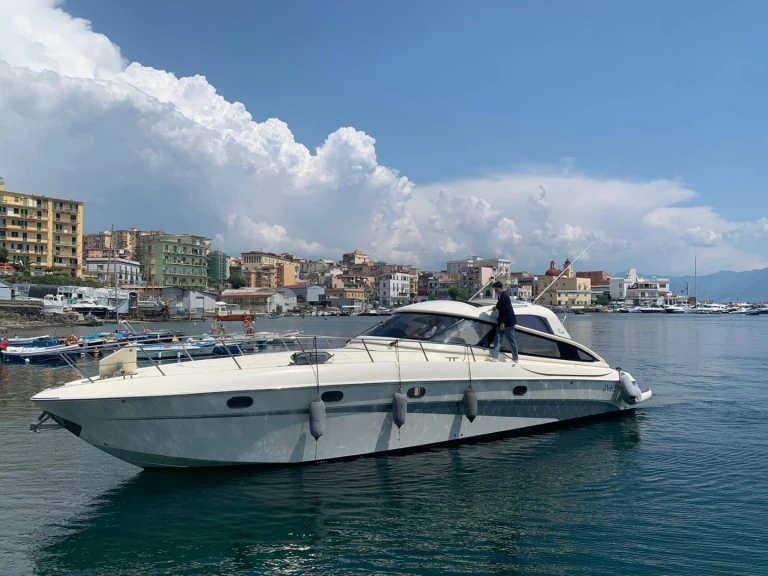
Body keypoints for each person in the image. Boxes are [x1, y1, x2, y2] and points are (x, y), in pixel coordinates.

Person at [487, 280, 519, 363]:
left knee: (511, 340)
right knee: (497, 339)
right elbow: (500, 304)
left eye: (496, 289)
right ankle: (495, 357)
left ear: (501, 288)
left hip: (507, 323)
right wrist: (496, 307)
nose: (495, 291)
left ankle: (515, 359)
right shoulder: (500, 296)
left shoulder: (505, 296)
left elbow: (508, 310)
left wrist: (503, 323)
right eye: (494, 289)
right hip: (501, 321)